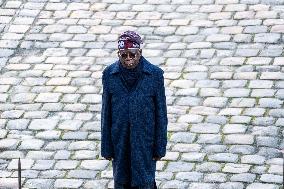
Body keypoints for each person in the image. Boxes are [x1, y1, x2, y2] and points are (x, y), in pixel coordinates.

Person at [101, 31, 168, 189]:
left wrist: (160, 147)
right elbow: (106, 113)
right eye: (124, 55)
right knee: (121, 181)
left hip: (144, 142)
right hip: (120, 142)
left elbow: (161, 114)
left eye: (132, 54)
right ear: (119, 54)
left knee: (145, 182)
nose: (129, 59)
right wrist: (106, 147)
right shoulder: (109, 75)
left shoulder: (155, 75)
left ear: (140, 53)